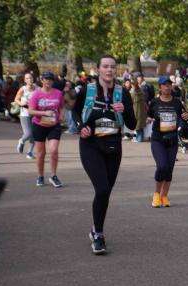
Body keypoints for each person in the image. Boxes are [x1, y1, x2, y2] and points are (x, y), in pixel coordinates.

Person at [72, 55, 136, 254]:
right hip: (90, 146)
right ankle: (98, 234)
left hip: (113, 147)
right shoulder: (87, 90)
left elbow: (132, 124)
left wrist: (124, 111)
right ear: (98, 69)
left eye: (113, 67)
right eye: (105, 67)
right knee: (101, 189)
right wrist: (81, 126)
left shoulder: (122, 92)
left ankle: (95, 229)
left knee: (106, 191)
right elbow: (74, 112)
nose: (109, 70)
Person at [147, 76, 188, 208]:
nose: (167, 87)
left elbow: (184, 116)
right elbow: (148, 115)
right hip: (158, 139)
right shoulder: (154, 102)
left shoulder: (177, 102)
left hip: (172, 139)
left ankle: (164, 196)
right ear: (160, 87)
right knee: (162, 166)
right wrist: (148, 119)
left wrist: (186, 117)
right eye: (164, 85)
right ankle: (156, 194)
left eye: (169, 84)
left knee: (169, 170)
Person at [28, 72, 65, 187]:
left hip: (54, 125)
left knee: (53, 150)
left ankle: (53, 176)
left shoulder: (58, 93)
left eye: (50, 79)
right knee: (41, 153)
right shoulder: (36, 94)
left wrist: (61, 115)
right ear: (42, 80)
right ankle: (40, 176)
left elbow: (62, 107)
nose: (48, 81)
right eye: (46, 79)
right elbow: (31, 111)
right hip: (39, 125)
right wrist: (44, 112)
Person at [15, 73, 38, 159]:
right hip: (25, 114)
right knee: (28, 133)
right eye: (27, 78)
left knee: (35, 134)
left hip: (35, 114)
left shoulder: (37, 89)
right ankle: (22, 141)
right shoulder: (23, 89)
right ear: (25, 80)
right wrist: (21, 103)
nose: (30, 80)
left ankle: (30, 152)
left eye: (31, 78)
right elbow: (16, 99)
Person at [130, 76, 147, 142]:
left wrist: (134, 82)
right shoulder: (140, 91)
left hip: (137, 111)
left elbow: (136, 86)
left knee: (138, 126)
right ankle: (139, 138)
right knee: (140, 126)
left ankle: (139, 139)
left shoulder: (137, 90)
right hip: (140, 111)